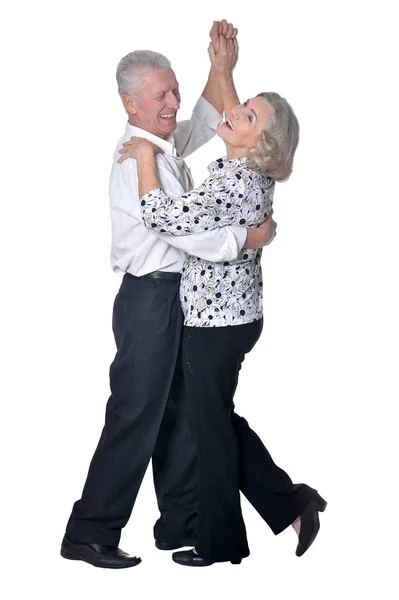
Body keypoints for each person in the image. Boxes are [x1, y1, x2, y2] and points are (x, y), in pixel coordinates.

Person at [60, 20, 277, 569]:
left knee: (179, 413)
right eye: (162, 94)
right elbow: (183, 229)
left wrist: (219, 70)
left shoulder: (156, 143)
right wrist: (247, 238)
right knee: (136, 412)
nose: (174, 101)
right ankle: (90, 532)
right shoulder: (139, 157)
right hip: (150, 301)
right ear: (130, 104)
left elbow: (203, 125)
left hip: (177, 297)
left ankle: (180, 523)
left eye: (175, 89)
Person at [118, 29, 327, 567]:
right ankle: (291, 503)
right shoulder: (246, 168)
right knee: (216, 420)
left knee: (208, 432)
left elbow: (162, 217)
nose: (231, 116)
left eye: (247, 117)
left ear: (257, 141)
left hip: (215, 325)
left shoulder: (232, 182)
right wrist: (224, 68)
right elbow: (229, 121)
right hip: (233, 317)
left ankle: (220, 545)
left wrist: (143, 154)